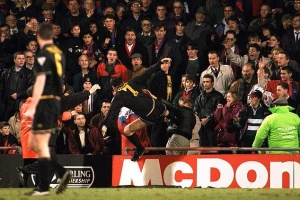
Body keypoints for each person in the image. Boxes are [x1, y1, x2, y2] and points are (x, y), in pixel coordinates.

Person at [24, 23, 71, 196]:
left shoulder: (43, 54)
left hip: (45, 102)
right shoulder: (59, 53)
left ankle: (44, 187)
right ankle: (60, 173)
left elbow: (41, 80)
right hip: (54, 101)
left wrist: (33, 106)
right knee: (34, 143)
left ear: (39, 37)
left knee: (40, 144)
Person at [101, 58, 172, 161]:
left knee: (127, 131)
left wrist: (105, 125)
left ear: (113, 88)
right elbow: (147, 73)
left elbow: (111, 113)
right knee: (166, 112)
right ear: (122, 81)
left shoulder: (118, 97)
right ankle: (174, 116)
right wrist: (159, 63)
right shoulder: (132, 82)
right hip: (159, 106)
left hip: (149, 116)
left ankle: (140, 148)